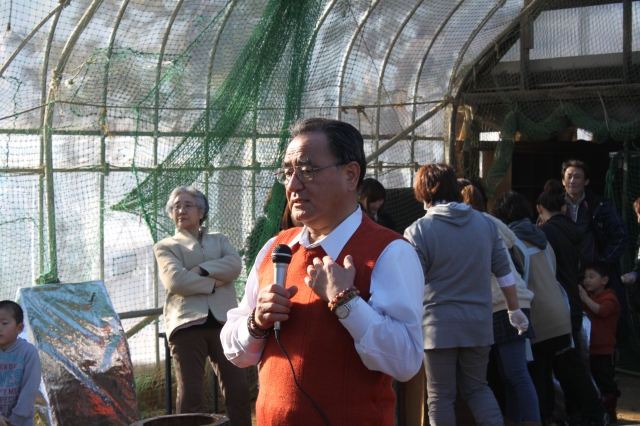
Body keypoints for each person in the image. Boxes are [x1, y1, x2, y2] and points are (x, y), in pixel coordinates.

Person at [220, 118, 424, 426]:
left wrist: (347, 302)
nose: (292, 185)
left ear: (350, 175)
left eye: (307, 171)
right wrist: (257, 322)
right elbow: (235, 351)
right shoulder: (277, 248)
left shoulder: (390, 252)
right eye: (287, 172)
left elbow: (406, 362)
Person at [404, 164, 529, 426]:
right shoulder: (486, 224)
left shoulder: (418, 230)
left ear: (423, 191)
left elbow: (411, 283)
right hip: (479, 324)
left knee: (440, 396)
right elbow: (504, 272)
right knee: (477, 388)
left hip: (437, 327)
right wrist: (514, 310)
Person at [154, 186, 251, 425]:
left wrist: (199, 270)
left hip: (224, 323)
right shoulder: (166, 246)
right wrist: (214, 283)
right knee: (191, 395)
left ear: (201, 211)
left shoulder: (220, 239)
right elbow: (176, 281)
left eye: (188, 205)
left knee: (238, 389)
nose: (181, 210)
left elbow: (234, 266)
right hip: (185, 324)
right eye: (176, 206)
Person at [460, 183, 540, 426]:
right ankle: (515, 420)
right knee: (510, 376)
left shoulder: (473, 224)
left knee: (516, 373)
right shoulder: (490, 222)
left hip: (502, 302)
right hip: (511, 300)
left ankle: (532, 421)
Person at [492, 191, 574, 426]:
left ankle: (539, 419)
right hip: (560, 315)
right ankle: (551, 418)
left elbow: (515, 281)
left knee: (530, 376)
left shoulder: (512, 241)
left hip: (537, 318)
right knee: (546, 373)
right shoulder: (542, 237)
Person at [536, 179, 606, 426]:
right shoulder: (573, 231)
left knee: (569, 366)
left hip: (558, 303)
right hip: (572, 303)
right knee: (567, 365)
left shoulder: (545, 234)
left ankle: (594, 411)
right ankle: (578, 413)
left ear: (539, 209)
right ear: (565, 208)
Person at [562, 159, 628, 344]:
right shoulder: (556, 206)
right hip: (565, 276)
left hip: (595, 279)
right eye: (569, 176)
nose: (573, 181)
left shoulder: (600, 205)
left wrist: (601, 264)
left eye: (577, 177)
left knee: (601, 326)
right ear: (563, 181)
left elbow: (620, 234)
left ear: (586, 181)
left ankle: (605, 360)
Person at [579, 261, 622, 424]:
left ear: (604, 280)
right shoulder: (589, 296)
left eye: (592, 277)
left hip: (604, 351)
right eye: (585, 277)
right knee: (592, 381)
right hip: (588, 349)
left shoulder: (610, 297)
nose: (587, 280)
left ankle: (609, 412)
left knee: (606, 382)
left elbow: (602, 311)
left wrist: (585, 298)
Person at [0, 301, 41, 426]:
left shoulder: (28, 352)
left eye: (4, 323)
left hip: (22, 422)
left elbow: (30, 388)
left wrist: (16, 419)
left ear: (19, 328)